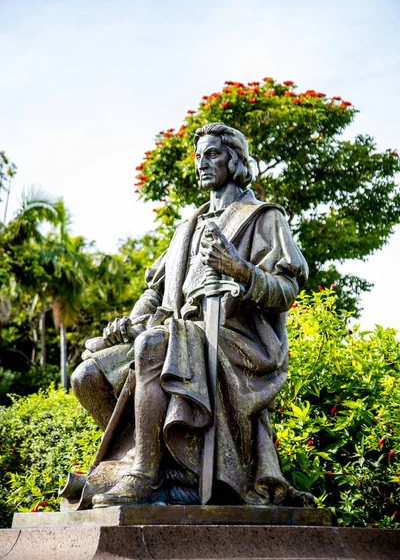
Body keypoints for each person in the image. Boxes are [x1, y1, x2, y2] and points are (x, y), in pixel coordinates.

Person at [70, 122, 308, 507]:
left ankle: (145, 476)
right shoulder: (186, 229)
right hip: (176, 334)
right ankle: (149, 459)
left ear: (234, 161)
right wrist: (127, 322)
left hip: (234, 340)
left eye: (212, 154)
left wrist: (240, 270)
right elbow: (155, 293)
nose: (202, 163)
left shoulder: (263, 217)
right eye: (198, 156)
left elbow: (287, 289)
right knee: (87, 376)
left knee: (152, 344)